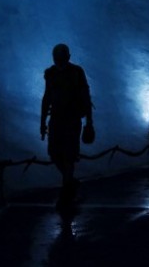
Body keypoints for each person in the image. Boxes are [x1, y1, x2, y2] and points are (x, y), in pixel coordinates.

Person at [40, 43, 93, 201]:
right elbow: (47, 97)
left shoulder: (76, 72)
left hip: (71, 119)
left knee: (68, 155)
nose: (59, 62)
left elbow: (85, 96)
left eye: (61, 58)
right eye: (57, 59)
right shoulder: (51, 74)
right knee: (55, 154)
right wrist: (42, 122)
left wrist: (89, 122)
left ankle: (67, 190)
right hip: (56, 120)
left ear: (67, 58)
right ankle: (69, 182)